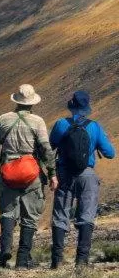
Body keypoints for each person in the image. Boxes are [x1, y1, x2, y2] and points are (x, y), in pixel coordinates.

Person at [0, 84, 57, 269]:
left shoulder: (3, 119)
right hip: (31, 173)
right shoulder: (38, 122)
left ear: (16, 101)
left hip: (8, 172)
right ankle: (23, 260)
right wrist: (52, 174)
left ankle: (5, 250)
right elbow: (46, 150)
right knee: (30, 217)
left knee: (7, 213)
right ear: (32, 103)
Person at [49, 91, 115, 268]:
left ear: (71, 107)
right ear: (87, 107)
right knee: (87, 215)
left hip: (64, 173)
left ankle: (56, 261)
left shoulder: (61, 124)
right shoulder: (95, 126)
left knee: (60, 215)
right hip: (87, 174)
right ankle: (81, 261)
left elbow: (50, 146)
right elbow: (110, 153)